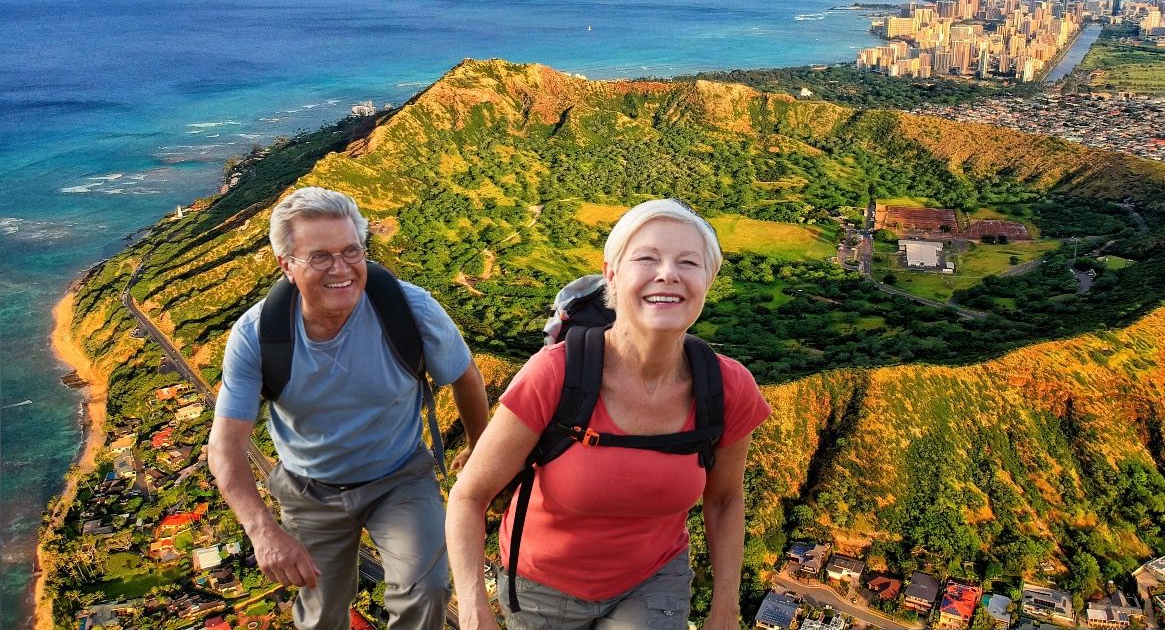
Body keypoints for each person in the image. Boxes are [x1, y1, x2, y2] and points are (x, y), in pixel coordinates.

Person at [447, 198, 771, 630]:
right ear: (612, 274)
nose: (668, 273)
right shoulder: (555, 374)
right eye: (647, 258)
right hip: (543, 582)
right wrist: (472, 609)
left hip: (654, 576)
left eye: (688, 262)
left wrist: (725, 608)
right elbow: (469, 496)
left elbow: (726, 498)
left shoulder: (727, 388)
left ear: (708, 281)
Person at [208, 187, 489, 630]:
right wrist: (263, 532)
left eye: (351, 251)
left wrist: (477, 451)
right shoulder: (257, 336)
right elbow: (224, 446)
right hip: (309, 488)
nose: (341, 269)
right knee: (320, 616)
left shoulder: (410, 309)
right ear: (287, 266)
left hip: (400, 477)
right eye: (319, 256)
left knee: (427, 589)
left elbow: (466, 377)